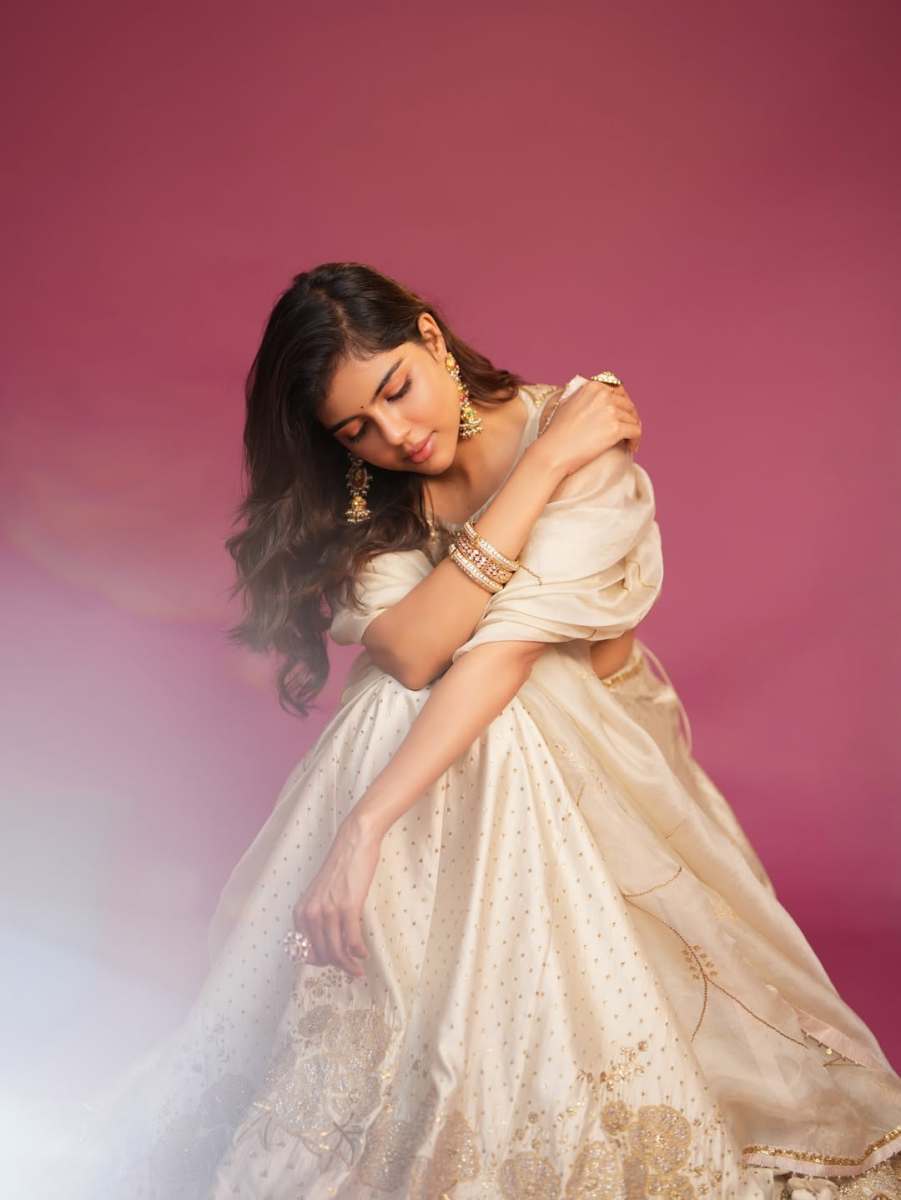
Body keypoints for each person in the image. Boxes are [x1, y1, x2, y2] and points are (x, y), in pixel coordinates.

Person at [54, 262, 901, 1199]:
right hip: (465, 740)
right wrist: (538, 473)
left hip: (597, 758)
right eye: (355, 429)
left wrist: (365, 827)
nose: (395, 436)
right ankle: (415, 1060)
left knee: (491, 702)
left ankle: (489, 1078)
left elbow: (502, 656)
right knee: (402, 695)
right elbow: (416, 653)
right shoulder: (382, 489)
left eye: (396, 390)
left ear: (429, 337)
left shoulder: (582, 433)